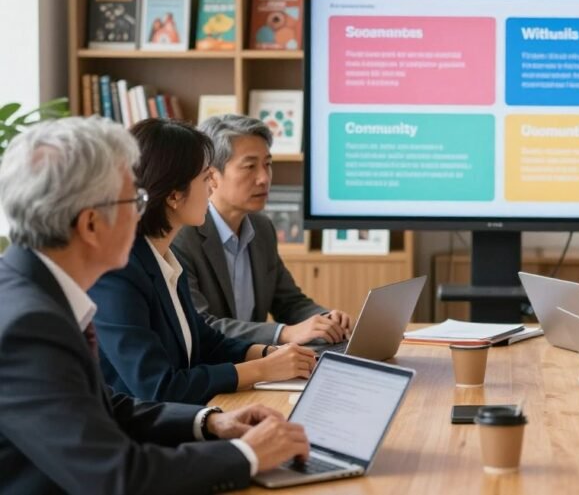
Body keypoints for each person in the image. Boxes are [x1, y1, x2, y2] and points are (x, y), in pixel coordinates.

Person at [0, 117, 309, 493]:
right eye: (136, 200)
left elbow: (103, 405)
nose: (142, 212)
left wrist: (210, 422)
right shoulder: (26, 326)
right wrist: (247, 455)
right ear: (91, 224)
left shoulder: (33, 292)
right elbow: (117, 476)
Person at [89, 118, 317, 405]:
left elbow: (205, 340)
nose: (212, 188)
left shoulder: (163, 256)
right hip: (138, 436)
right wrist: (262, 368)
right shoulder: (117, 272)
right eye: (205, 178)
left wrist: (267, 353)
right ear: (174, 195)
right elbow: (159, 387)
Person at [172, 114, 351, 345]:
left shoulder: (262, 228)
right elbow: (200, 325)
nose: (264, 178)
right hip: (214, 371)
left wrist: (327, 319)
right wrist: (283, 334)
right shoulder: (183, 237)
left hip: (259, 365)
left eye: (267, 164)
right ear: (212, 176)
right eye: (250, 167)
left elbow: (289, 302)